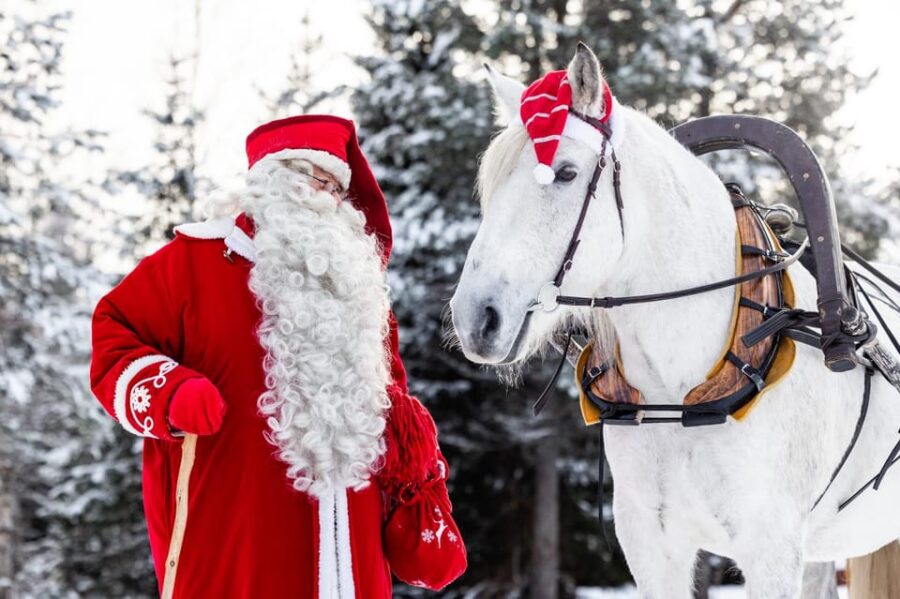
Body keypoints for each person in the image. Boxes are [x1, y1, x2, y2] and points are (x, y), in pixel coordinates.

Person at [89, 115, 467, 598]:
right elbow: (113, 333)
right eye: (315, 178)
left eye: (336, 187)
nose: (328, 196)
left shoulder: (357, 292)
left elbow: (393, 403)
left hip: (352, 548)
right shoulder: (194, 262)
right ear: (273, 181)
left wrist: (415, 479)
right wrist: (170, 393)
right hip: (237, 533)